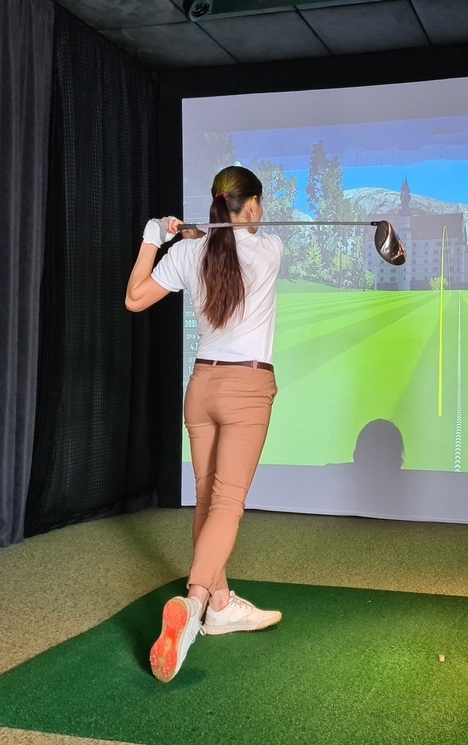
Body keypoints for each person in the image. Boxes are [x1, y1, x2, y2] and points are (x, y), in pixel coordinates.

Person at [125, 165, 284, 684]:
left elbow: (135, 298)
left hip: (201, 389)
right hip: (245, 391)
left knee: (207, 498)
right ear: (252, 206)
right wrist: (201, 235)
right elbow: (238, 243)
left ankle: (220, 603)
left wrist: (156, 237)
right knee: (228, 502)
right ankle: (194, 607)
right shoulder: (271, 249)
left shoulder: (191, 252)